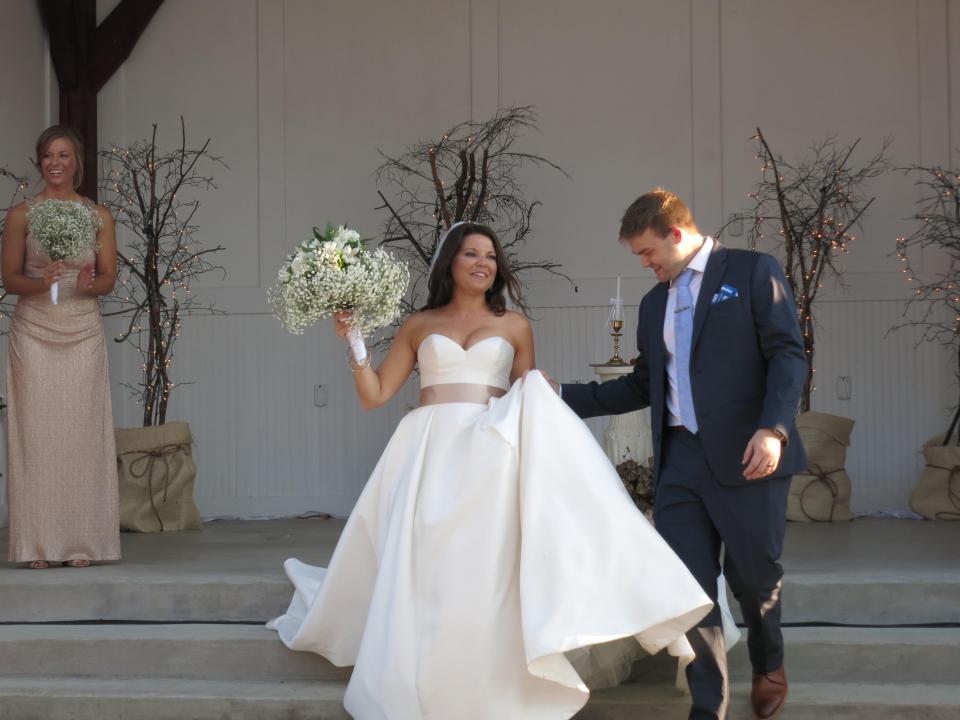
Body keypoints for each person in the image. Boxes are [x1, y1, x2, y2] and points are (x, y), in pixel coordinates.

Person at [268, 221, 713, 720]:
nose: (483, 263)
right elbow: (375, 395)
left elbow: (530, 402)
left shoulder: (515, 325)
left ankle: (491, 677)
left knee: (485, 565)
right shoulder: (419, 324)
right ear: (450, 263)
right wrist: (353, 341)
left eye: (491, 256)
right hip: (429, 451)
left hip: (491, 453)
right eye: (471, 254)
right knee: (428, 561)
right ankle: (422, 671)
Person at [554, 190, 807, 719]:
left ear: (675, 233)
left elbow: (787, 355)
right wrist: (559, 395)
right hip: (679, 463)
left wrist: (774, 429)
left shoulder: (752, 271)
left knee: (753, 578)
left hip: (749, 454)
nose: (645, 264)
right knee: (690, 590)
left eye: (648, 252)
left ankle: (769, 663)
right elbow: (642, 384)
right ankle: (708, 705)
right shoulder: (653, 304)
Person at [2, 125, 121, 569]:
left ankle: (82, 543)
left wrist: (90, 285)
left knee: (80, 434)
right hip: (34, 331)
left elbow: (108, 278)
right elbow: (9, 279)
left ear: (77, 162)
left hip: (81, 329)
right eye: (49, 155)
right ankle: (37, 545)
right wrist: (41, 281)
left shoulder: (98, 215)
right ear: (40, 161)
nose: (56, 162)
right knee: (36, 437)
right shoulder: (22, 214)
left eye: (64, 155)